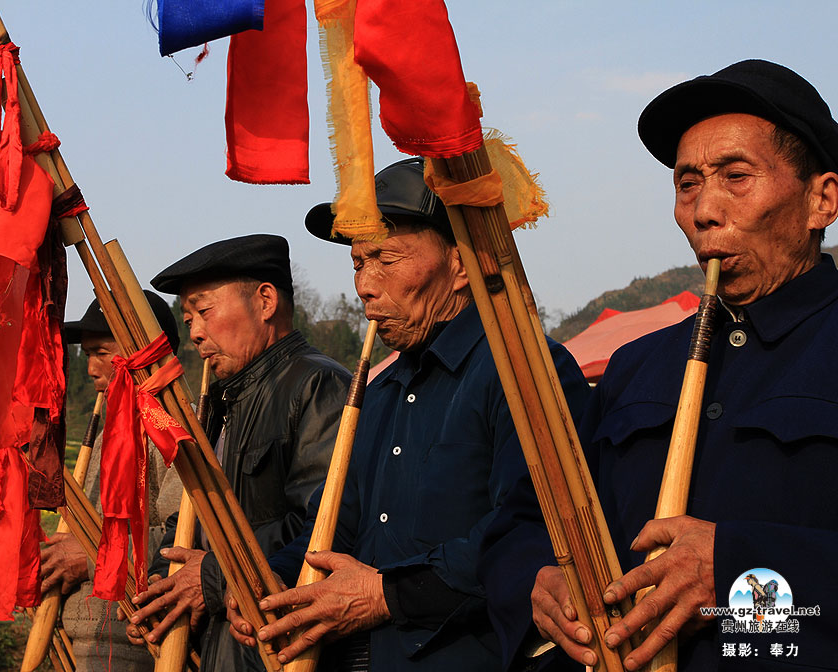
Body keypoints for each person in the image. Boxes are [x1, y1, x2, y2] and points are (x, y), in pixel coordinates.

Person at [498, 59, 838, 672]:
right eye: (687, 185)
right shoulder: (636, 368)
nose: (705, 209)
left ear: (822, 199)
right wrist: (540, 581)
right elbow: (521, 519)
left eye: (737, 176)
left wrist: (741, 584)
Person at [226, 159, 590, 671]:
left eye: (386, 259)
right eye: (357, 263)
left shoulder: (525, 370)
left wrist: (386, 594)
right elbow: (333, 529)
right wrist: (272, 583)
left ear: (460, 265)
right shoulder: (378, 394)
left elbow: (529, 529)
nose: (365, 286)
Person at [128, 234, 352, 672]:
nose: (194, 332)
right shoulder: (222, 402)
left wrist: (211, 576)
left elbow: (322, 529)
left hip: (275, 651)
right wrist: (161, 588)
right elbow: (192, 517)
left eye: (204, 311)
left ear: (265, 301)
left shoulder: (317, 386)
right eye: (187, 317)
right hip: (218, 650)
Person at [38, 289, 184, 671]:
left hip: (133, 646)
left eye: (102, 352)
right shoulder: (107, 436)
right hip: (79, 640)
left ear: (141, 350)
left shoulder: (174, 431)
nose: (90, 368)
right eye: (87, 354)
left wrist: (88, 557)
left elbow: (180, 542)